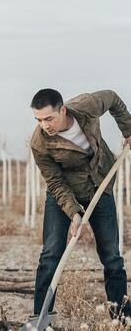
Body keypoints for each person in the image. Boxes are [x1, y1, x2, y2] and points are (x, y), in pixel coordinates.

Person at [30, 89, 131, 321]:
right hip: (64, 194)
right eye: (38, 120)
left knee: (111, 257)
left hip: (100, 185)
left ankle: (121, 316)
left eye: (49, 118)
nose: (44, 125)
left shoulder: (88, 105)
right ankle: (41, 318)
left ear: (62, 110)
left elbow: (114, 99)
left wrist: (128, 129)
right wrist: (74, 213)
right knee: (51, 254)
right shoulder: (39, 143)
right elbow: (54, 182)